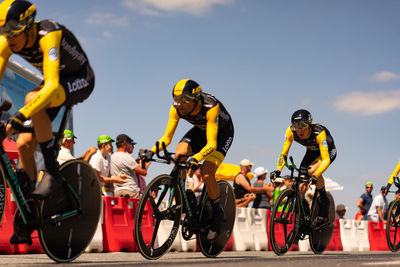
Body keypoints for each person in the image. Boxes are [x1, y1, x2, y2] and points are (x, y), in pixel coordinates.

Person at [0, 0, 95, 244]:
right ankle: (30, 208)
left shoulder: (48, 34)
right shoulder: (7, 43)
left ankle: (52, 172)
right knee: (23, 144)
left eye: (12, 32)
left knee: (33, 98)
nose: (8, 38)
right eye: (3, 32)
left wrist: (20, 116)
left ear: (28, 26)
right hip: (53, 87)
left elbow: (51, 85)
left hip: (78, 80)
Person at [141, 79, 234, 240]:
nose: (179, 104)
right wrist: (152, 151)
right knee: (180, 153)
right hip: (200, 130)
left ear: (196, 99)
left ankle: (217, 213)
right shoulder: (176, 109)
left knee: (206, 172)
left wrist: (196, 158)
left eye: (184, 100)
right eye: (176, 100)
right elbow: (167, 138)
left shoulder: (211, 107)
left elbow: (211, 143)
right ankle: (182, 195)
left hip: (221, 134)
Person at [270, 109, 337, 227]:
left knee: (311, 171)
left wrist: (316, 176)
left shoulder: (319, 133)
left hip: (327, 152)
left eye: (303, 125)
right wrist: (278, 170)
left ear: (309, 125)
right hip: (311, 151)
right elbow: (284, 153)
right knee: (300, 181)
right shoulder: (291, 132)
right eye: (296, 125)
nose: (299, 129)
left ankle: (324, 200)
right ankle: (304, 210)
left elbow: (325, 159)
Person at [110, 134, 149, 198]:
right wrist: (144, 163)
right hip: (131, 191)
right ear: (125, 142)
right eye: (129, 143)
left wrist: (136, 161)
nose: (130, 145)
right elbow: (144, 173)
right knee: (136, 208)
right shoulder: (126, 157)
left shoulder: (112, 157)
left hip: (117, 191)